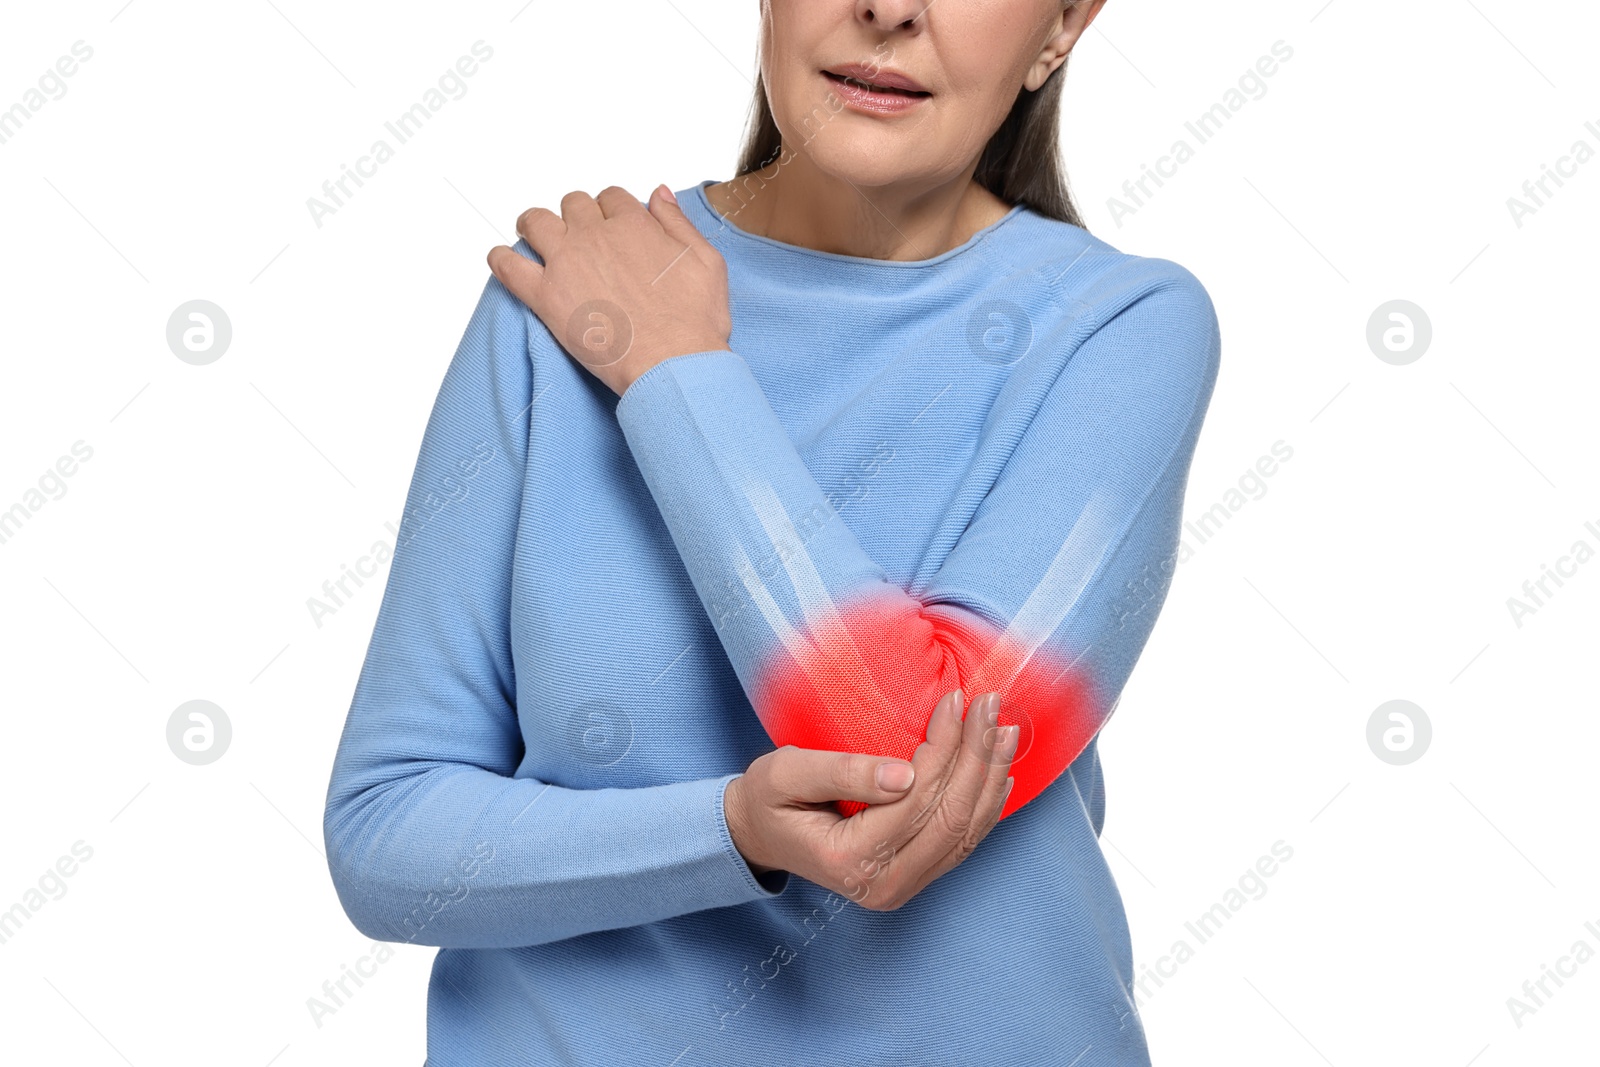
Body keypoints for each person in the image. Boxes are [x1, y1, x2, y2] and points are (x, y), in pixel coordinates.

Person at [323, 0, 1222, 1062]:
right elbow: (386, 835)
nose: (889, 8)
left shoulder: (1120, 329)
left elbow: (897, 750)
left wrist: (673, 373)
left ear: (1062, 24)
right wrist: (728, 832)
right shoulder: (568, 300)